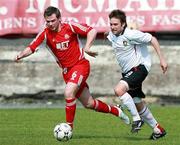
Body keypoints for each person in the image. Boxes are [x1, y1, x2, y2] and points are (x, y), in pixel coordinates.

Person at [14, 6, 130, 131]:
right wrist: (20, 55)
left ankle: (68, 128)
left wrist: (87, 47)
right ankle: (116, 110)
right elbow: (31, 47)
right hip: (67, 72)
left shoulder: (69, 27)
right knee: (89, 103)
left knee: (68, 92)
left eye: (53, 21)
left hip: (80, 65)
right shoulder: (45, 33)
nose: (50, 24)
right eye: (48, 21)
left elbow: (92, 31)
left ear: (59, 19)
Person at [106, 9, 168, 140]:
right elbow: (109, 34)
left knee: (119, 90)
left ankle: (137, 120)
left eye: (115, 24)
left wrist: (162, 59)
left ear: (123, 24)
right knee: (136, 102)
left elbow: (153, 39)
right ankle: (158, 129)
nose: (112, 27)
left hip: (139, 68)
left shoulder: (131, 34)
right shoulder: (112, 34)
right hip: (128, 72)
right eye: (111, 24)